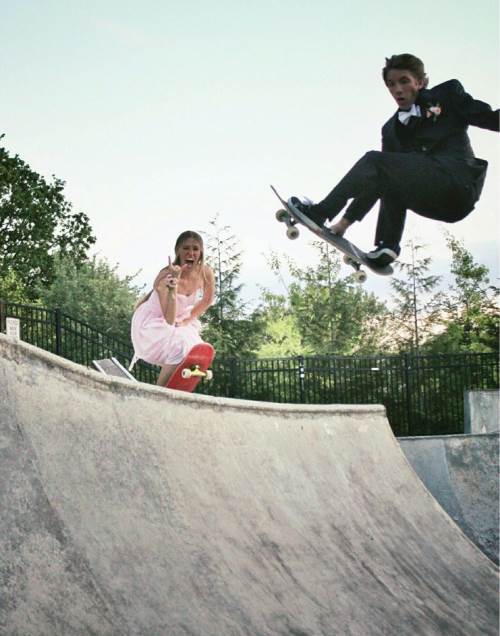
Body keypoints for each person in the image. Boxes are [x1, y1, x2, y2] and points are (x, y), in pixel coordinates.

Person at [289, 53, 499, 268]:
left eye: (404, 81)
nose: (398, 90)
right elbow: (375, 181)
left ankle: (320, 212)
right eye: (391, 84)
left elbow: (490, 118)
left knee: (374, 160)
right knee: (386, 176)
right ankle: (387, 246)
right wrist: (345, 223)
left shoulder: (447, 95)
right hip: (438, 204)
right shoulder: (391, 130)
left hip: (457, 184)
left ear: (421, 82)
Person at [131, 230, 215, 386]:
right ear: (177, 251)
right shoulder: (165, 276)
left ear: (201, 252)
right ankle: (160, 391)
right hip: (154, 321)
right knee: (179, 346)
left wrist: (188, 320)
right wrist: (173, 287)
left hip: (179, 319)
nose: (191, 253)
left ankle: (177, 383)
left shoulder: (205, 273)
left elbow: (207, 300)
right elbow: (168, 319)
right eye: (186, 248)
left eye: (195, 249)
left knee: (193, 348)